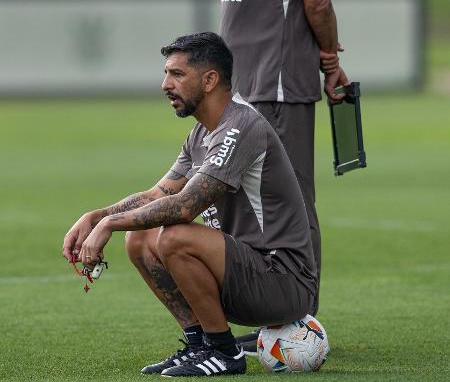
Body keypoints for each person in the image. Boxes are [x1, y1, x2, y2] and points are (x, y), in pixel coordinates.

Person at [62, 32, 317, 378]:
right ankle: (199, 344)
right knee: (138, 237)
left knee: (173, 236)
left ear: (210, 80)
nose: (166, 84)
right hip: (243, 274)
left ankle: (225, 354)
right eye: (167, 73)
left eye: (177, 74)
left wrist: (109, 225)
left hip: (282, 282)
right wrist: (96, 216)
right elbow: (157, 196)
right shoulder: (200, 134)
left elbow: (183, 207)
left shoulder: (241, 126)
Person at [191, 0, 349, 350]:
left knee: (291, 206)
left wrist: (329, 62)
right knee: (235, 206)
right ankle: (261, 316)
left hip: (278, 89)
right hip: (241, 91)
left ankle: (302, 324)